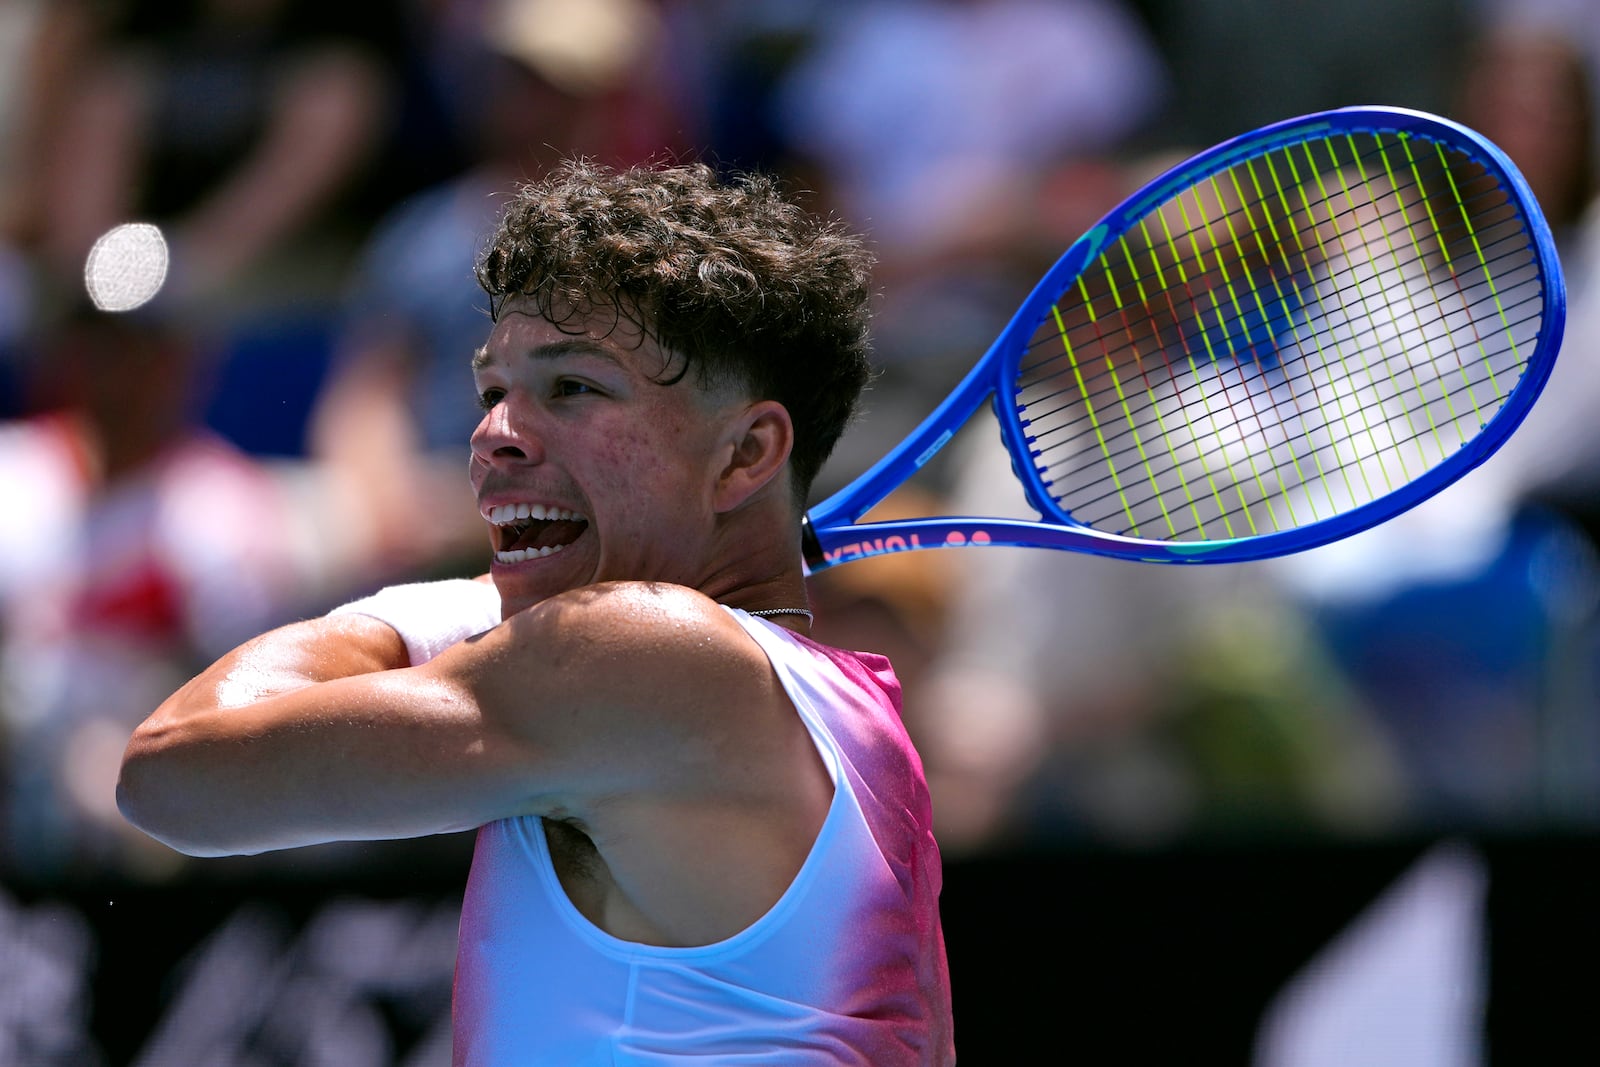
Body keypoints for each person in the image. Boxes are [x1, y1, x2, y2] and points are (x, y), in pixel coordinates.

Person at [117, 159, 956, 1064]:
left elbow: (173, 772)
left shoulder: (639, 651)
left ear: (746, 452)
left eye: (572, 388)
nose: (491, 434)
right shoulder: (834, 711)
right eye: (492, 392)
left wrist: (460, 602)